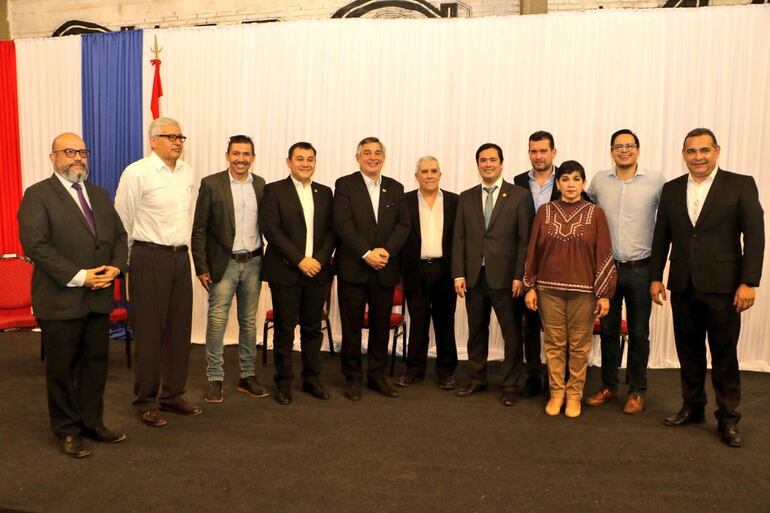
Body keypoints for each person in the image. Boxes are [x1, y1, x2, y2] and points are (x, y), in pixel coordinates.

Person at [650, 128, 764, 447]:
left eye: (704, 150)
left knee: (724, 355)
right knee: (688, 351)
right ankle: (693, 407)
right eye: (691, 151)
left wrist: (749, 282)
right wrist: (656, 277)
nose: (698, 156)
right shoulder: (671, 189)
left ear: (716, 151)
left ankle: (727, 419)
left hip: (725, 288)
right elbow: (661, 236)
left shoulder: (740, 184)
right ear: (683, 154)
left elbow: (754, 237)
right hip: (683, 284)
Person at [18, 132, 128, 458]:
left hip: (98, 298)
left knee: (95, 365)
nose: (78, 158)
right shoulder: (37, 195)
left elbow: (120, 236)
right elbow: (36, 245)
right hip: (59, 299)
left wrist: (116, 268)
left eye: (82, 152)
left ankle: (92, 423)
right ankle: (67, 430)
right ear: (53, 158)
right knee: (63, 369)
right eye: (69, 152)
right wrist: (80, 277)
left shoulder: (99, 193)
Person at [115, 116, 202, 427]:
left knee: (179, 331)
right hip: (148, 257)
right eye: (170, 137)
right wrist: (126, 266)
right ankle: (145, 400)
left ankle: (172, 394)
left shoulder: (187, 173)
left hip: (180, 257)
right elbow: (122, 221)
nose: (177, 142)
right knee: (150, 334)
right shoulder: (137, 172)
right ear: (153, 141)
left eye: (180, 137)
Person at [524, 160, 617, 418]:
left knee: (579, 346)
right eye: (565, 179)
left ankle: (574, 394)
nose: (571, 184)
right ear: (558, 183)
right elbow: (534, 250)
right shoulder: (545, 211)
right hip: (548, 290)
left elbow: (603, 253)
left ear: (583, 183)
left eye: (576, 179)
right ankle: (557, 393)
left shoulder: (595, 213)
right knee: (554, 344)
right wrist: (530, 286)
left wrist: (604, 293)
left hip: (584, 293)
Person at [585, 129, 665, 415]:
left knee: (640, 332)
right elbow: (586, 208)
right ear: (611, 151)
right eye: (618, 146)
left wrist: (659, 274)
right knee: (607, 329)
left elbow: (667, 222)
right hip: (608, 270)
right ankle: (608, 386)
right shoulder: (599, 181)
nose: (624, 150)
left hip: (641, 269)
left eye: (629, 145)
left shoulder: (656, 182)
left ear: (638, 150)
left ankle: (637, 391)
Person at [452, 143, 534, 406]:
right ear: (477, 165)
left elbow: (524, 240)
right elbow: (459, 237)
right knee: (476, 330)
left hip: (507, 278)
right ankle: (477, 378)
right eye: (483, 160)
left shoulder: (520, 196)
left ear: (501, 163)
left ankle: (510, 384)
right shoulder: (466, 197)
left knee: (511, 334)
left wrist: (520, 275)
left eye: (492, 160)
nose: (487, 164)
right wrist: (459, 273)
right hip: (475, 277)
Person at [191, 135, 268, 404]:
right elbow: (199, 229)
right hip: (223, 264)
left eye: (246, 154)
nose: (241, 159)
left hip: (254, 262)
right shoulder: (211, 184)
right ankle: (215, 377)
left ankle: (247, 375)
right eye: (236, 153)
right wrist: (201, 266)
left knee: (248, 322)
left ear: (253, 158)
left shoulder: (261, 185)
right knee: (217, 321)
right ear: (227, 156)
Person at [332, 136, 410, 401]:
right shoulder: (344, 185)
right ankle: (352, 378)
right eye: (367, 153)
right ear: (358, 157)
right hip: (354, 267)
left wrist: (384, 252)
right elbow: (343, 224)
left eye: (378, 153)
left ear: (383, 157)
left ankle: (377, 376)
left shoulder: (396, 188)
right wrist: (366, 253)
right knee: (351, 326)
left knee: (380, 326)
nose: (373, 157)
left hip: (385, 268)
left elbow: (404, 225)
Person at [260, 142, 335, 405]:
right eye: (300, 159)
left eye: (310, 159)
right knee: (284, 329)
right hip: (286, 271)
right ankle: (283, 383)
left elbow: (332, 232)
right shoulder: (274, 190)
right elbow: (271, 229)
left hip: (317, 271)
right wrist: (300, 260)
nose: (305, 163)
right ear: (289, 162)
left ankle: (312, 379)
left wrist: (318, 261)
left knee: (313, 329)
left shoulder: (325, 192)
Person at [396, 156, 458, 390]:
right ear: (417, 176)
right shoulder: (405, 201)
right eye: (424, 171)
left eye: (434, 171)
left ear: (440, 175)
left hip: (445, 270)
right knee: (418, 322)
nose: (429, 175)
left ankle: (446, 372)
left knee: (445, 322)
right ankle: (414, 370)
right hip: (415, 270)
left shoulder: (454, 201)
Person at [513, 131, 560, 398]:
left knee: (555, 324)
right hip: (527, 261)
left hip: (557, 261)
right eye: (533, 151)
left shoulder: (566, 179)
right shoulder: (519, 182)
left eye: (543, 151)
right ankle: (533, 375)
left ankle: (558, 378)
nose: (538, 156)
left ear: (553, 152)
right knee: (529, 323)